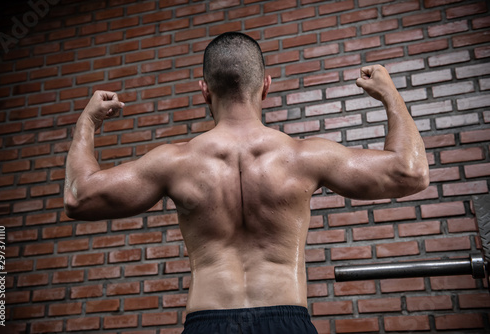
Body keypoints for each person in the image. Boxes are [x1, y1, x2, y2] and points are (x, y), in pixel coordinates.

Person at [64, 32, 429, 334]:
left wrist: (88, 122)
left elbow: (79, 196)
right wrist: (390, 95)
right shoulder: (304, 157)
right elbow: (411, 172)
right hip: (286, 321)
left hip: (208, 323)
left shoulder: (174, 162)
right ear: (265, 86)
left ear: (204, 90)